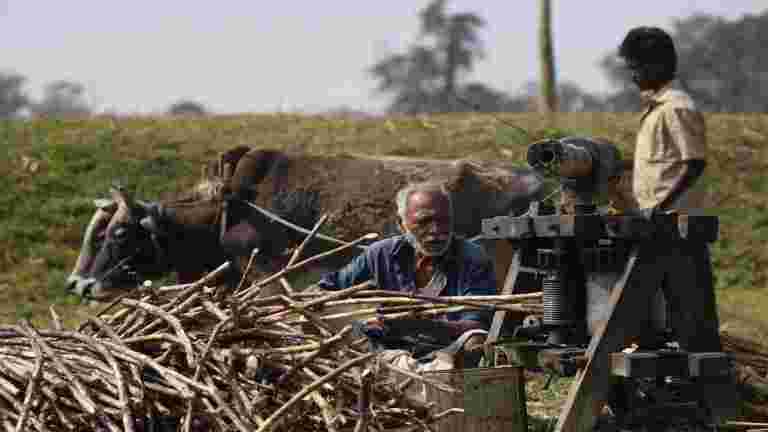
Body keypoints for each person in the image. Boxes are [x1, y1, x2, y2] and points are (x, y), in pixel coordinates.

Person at [618, 26, 723, 353]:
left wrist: (660, 205)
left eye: (636, 68)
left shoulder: (677, 107)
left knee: (692, 313)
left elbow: (694, 163)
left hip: (678, 226)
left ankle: (705, 372)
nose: (633, 76)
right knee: (661, 312)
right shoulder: (655, 109)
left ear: (657, 66)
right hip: (657, 225)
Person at [316, 181, 497, 366]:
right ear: (401, 224)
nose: (436, 230)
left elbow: (476, 324)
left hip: (446, 351)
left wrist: (422, 326)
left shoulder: (473, 258)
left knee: (475, 341)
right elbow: (329, 288)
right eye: (424, 221)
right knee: (339, 326)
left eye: (444, 220)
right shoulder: (381, 253)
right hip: (388, 349)